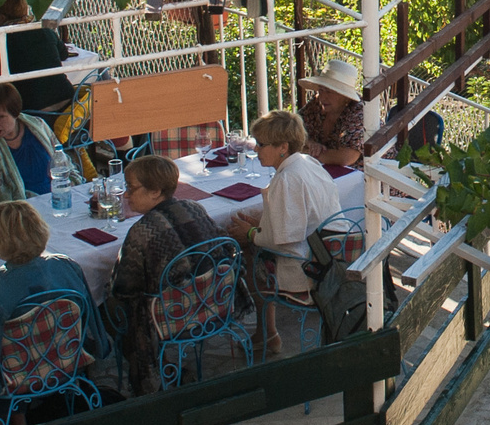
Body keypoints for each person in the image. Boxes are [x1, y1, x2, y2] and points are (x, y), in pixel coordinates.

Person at [107, 155, 229, 393]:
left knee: (109, 305)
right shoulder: (194, 207)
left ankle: (147, 368)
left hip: (176, 317)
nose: (126, 195)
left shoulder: (142, 231)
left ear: (155, 192)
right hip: (216, 302)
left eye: (131, 188)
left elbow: (125, 288)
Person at [0, 199, 112, 406]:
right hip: (69, 364)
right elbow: (91, 319)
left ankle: (14, 419)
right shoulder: (67, 266)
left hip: (17, 380)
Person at [249, 109, 339, 304]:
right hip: (330, 256)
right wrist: (261, 224)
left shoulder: (286, 178)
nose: (256, 150)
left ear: (283, 147)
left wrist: (251, 234)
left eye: (261, 144)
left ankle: (265, 330)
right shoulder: (310, 163)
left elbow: (286, 241)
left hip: (306, 272)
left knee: (246, 255)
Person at [0, 0, 73, 112]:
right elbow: (63, 54)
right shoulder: (44, 30)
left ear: (1, 17)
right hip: (68, 103)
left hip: (32, 111)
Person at [0, 83, 60, 201]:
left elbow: (62, 161)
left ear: (15, 114)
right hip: (16, 208)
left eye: (1, 117)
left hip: (54, 198)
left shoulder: (37, 127)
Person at [298, 63, 366, 168]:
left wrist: (307, 152)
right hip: (327, 170)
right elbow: (292, 128)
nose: (323, 97)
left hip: (368, 178)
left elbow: (346, 157)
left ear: (345, 96)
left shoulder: (358, 113)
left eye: (329, 92)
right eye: (321, 90)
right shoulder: (317, 104)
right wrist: (310, 143)